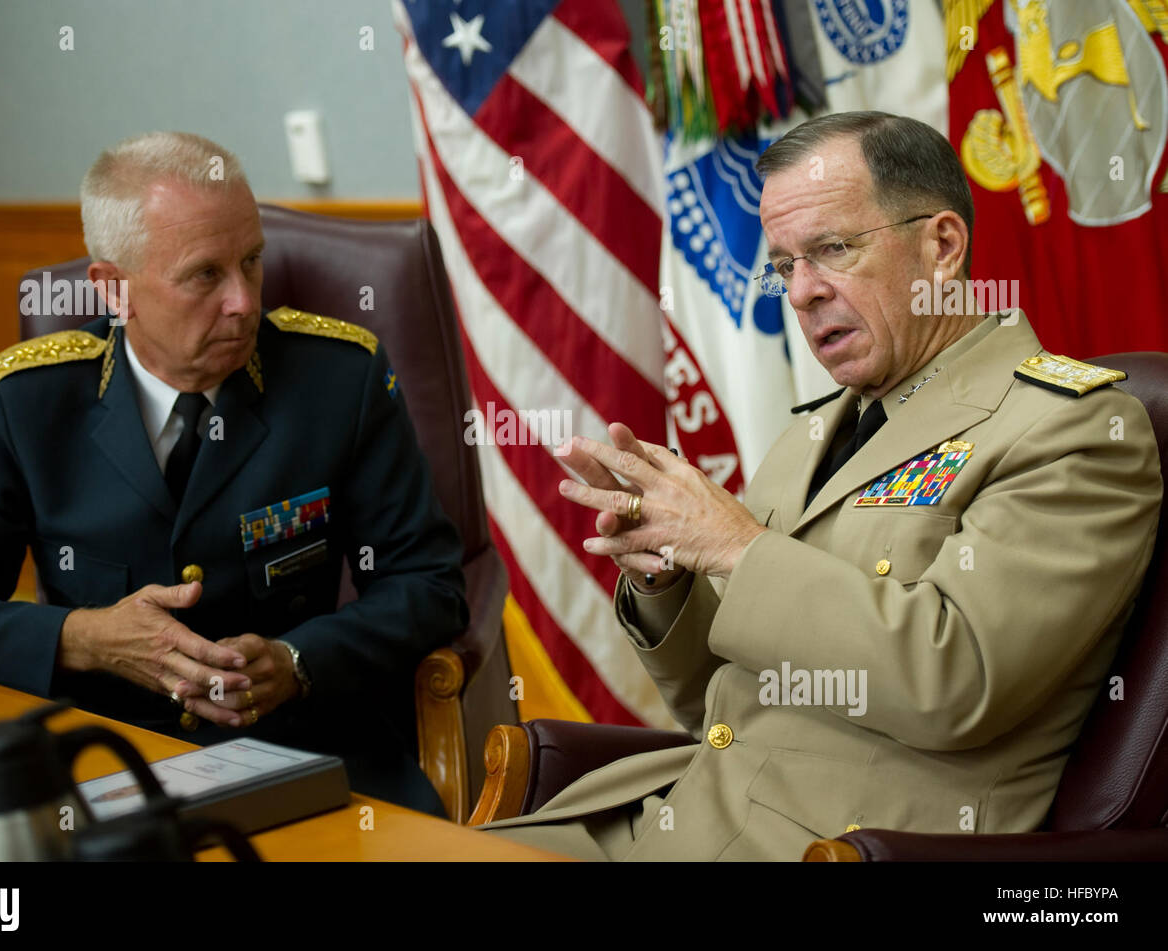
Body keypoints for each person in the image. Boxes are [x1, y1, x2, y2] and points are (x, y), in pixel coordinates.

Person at [482, 112, 1163, 859]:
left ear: (941, 245)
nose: (802, 292)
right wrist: (667, 575)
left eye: (832, 250)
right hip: (670, 813)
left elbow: (956, 681)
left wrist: (739, 548)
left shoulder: (1071, 431)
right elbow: (713, 698)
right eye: (782, 266)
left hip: (828, 845)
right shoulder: (811, 432)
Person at [0, 132, 467, 815]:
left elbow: (431, 582)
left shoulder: (338, 378)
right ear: (114, 290)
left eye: (251, 260)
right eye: (205, 275)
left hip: (312, 753)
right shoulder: (30, 402)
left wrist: (299, 662)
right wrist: (84, 639)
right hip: (111, 762)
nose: (244, 301)